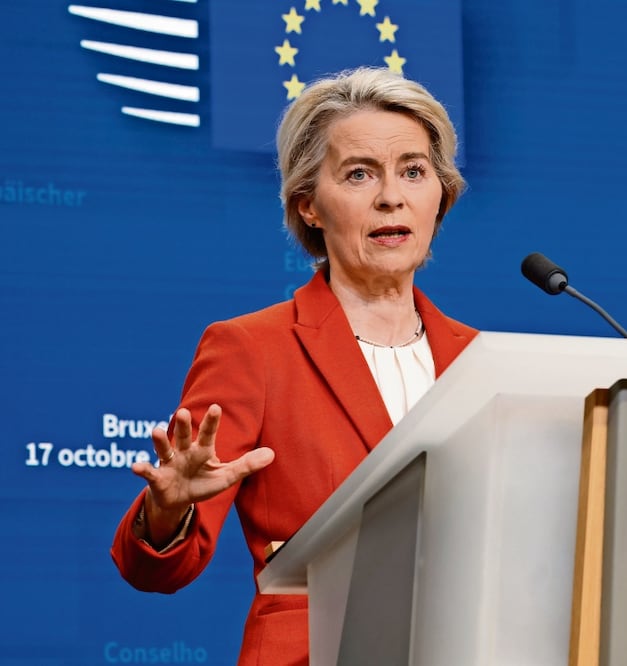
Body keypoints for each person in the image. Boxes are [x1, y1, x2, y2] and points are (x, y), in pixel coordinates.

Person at [110, 67, 478, 665]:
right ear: (308, 205)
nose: (392, 196)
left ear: (440, 194)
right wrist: (170, 507)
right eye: (359, 173)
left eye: (413, 171)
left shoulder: (480, 360)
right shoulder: (252, 348)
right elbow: (154, 571)